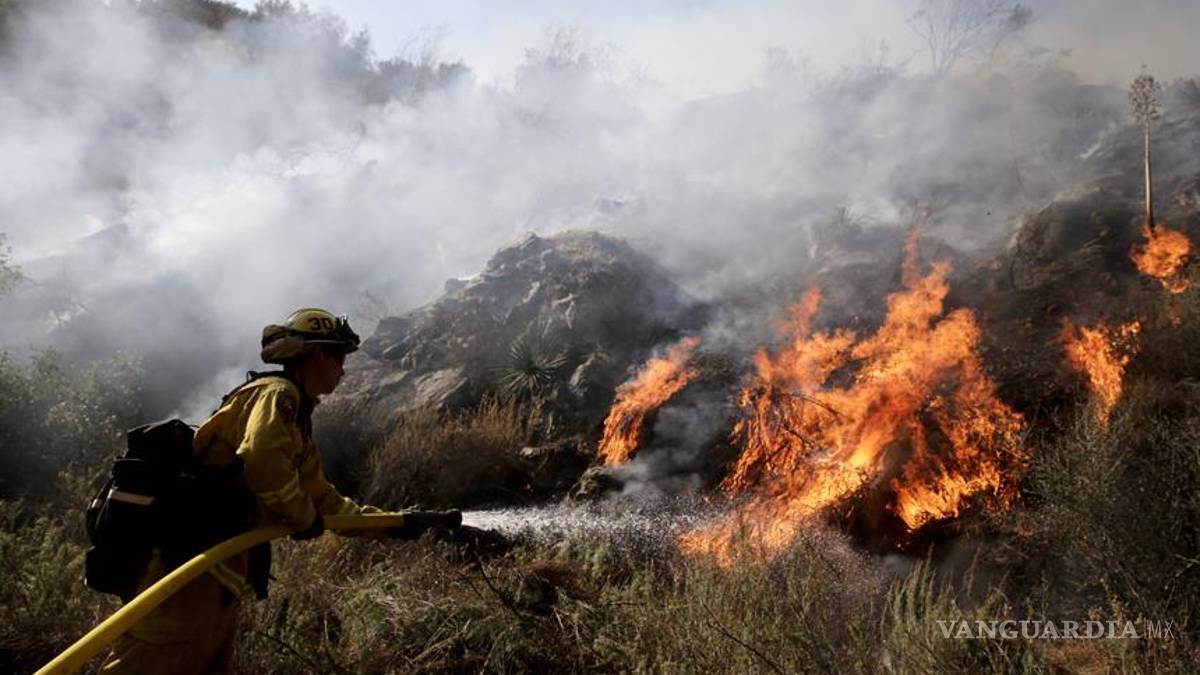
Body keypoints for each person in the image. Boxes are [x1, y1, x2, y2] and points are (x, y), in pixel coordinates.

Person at [101, 308, 448, 674]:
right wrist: (301, 517)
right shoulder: (277, 394)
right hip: (184, 571)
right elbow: (261, 457)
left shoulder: (297, 426)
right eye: (339, 356)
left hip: (214, 579)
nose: (343, 369)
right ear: (316, 354)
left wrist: (402, 525)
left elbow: (327, 504)